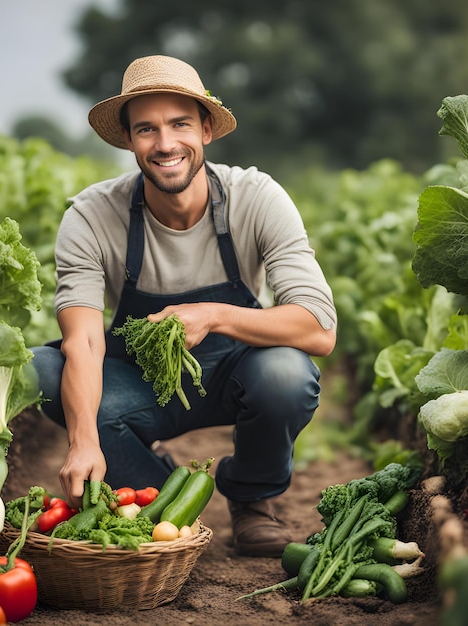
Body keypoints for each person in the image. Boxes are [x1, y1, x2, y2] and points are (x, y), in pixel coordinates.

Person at [30, 55, 337, 557]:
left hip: (235, 370)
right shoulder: (91, 216)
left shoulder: (255, 198)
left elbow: (319, 329)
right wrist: (83, 440)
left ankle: (252, 498)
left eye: (180, 125)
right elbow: (82, 340)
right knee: (42, 371)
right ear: (128, 139)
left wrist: (213, 314)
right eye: (146, 129)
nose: (166, 144)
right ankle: (163, 492)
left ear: (207, 129)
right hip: (141, 379)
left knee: (286, 374)